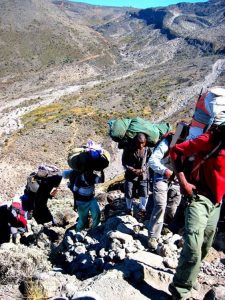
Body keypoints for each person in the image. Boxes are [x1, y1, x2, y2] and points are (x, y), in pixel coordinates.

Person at [168, 122, 225, 300]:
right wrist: (183, 183)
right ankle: (179, 291)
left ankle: (189, 278)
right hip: (199, 197)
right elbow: (175, 151)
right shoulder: (211, 139)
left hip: (216, 203)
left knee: (205, 246)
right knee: (193, 246)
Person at [147, 129, 184, 250]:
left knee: (173, 206)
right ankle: (153, 235)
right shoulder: (167, 142)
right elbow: (152, 160)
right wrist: (165, 171)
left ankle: (166, 226)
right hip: (161, 174)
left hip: (178, 178)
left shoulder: (193, 142)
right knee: (160, 204)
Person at [122, 133, 151, 218]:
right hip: (130, 175)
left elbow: (150, 161)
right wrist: (131, 169)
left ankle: (142, 209)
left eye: (142, 143)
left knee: (144, 192)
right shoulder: (128, 148)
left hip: (143, 175)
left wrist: (143, 169)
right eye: (138, 143)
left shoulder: (147, 149)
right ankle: (128, 209)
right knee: (129, 191)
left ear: (145, 142)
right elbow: (124, 161)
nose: (140, 145)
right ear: (135, 141)